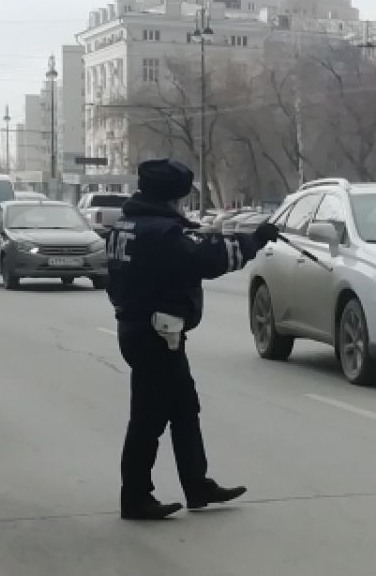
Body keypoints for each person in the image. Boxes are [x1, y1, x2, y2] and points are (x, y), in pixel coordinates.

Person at [107, 158, 280, 521]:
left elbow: (195, 242)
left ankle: (197, 485)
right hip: (155, 333)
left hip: (143, 329)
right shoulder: (163, 232)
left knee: (184, 410)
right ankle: (136, 497)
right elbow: (211, 256)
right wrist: (255, 239)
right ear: (172, 196)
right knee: (148, 419)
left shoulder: (128, 224)